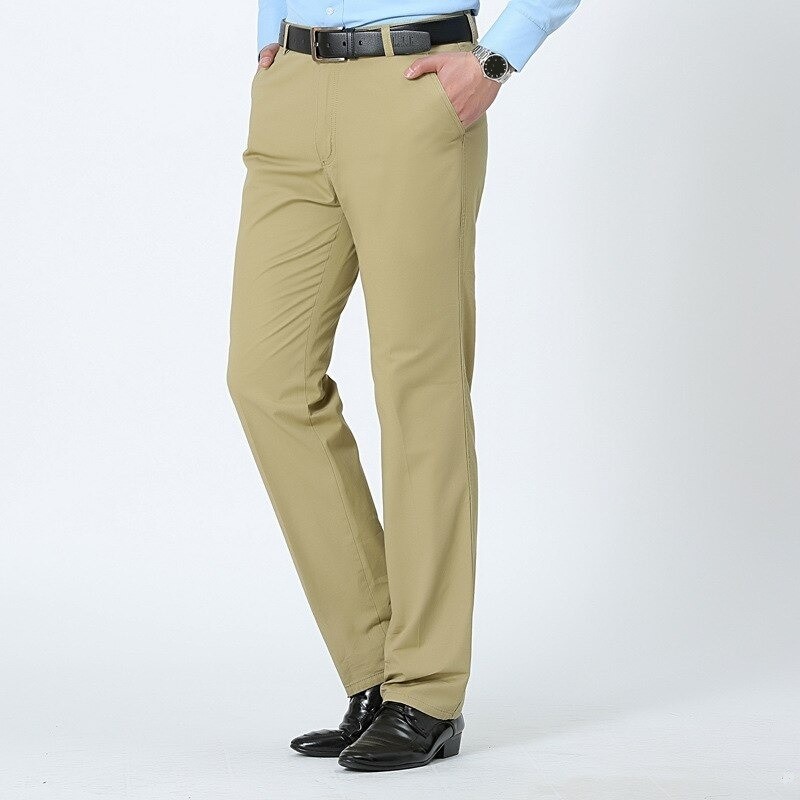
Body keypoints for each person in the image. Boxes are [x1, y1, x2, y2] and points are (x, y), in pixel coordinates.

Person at [226, 0, 581, 772]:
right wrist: (269, 37)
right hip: (293, 85)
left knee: (419, 390)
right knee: (266, 378)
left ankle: (425, 689)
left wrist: (497, 57)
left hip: (413, 82)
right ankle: (376, 668)